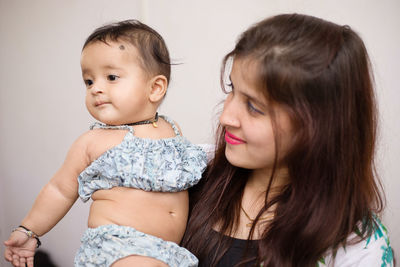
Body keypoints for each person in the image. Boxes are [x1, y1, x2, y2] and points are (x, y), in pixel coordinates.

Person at [182, 13, 394, 266]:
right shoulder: (186, 172)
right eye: (232, 89)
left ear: (319, 126)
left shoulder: (359, 249)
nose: (226, 117)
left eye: (254, 107)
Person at [4, 19, 207, 267]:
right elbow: (59, 189)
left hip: (168, 252)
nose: (95, 88)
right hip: (117, 247)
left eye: (111, 77)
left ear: (155, 88)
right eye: (89, 81)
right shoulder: (93, 141)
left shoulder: (171, 129)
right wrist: (29, 230)